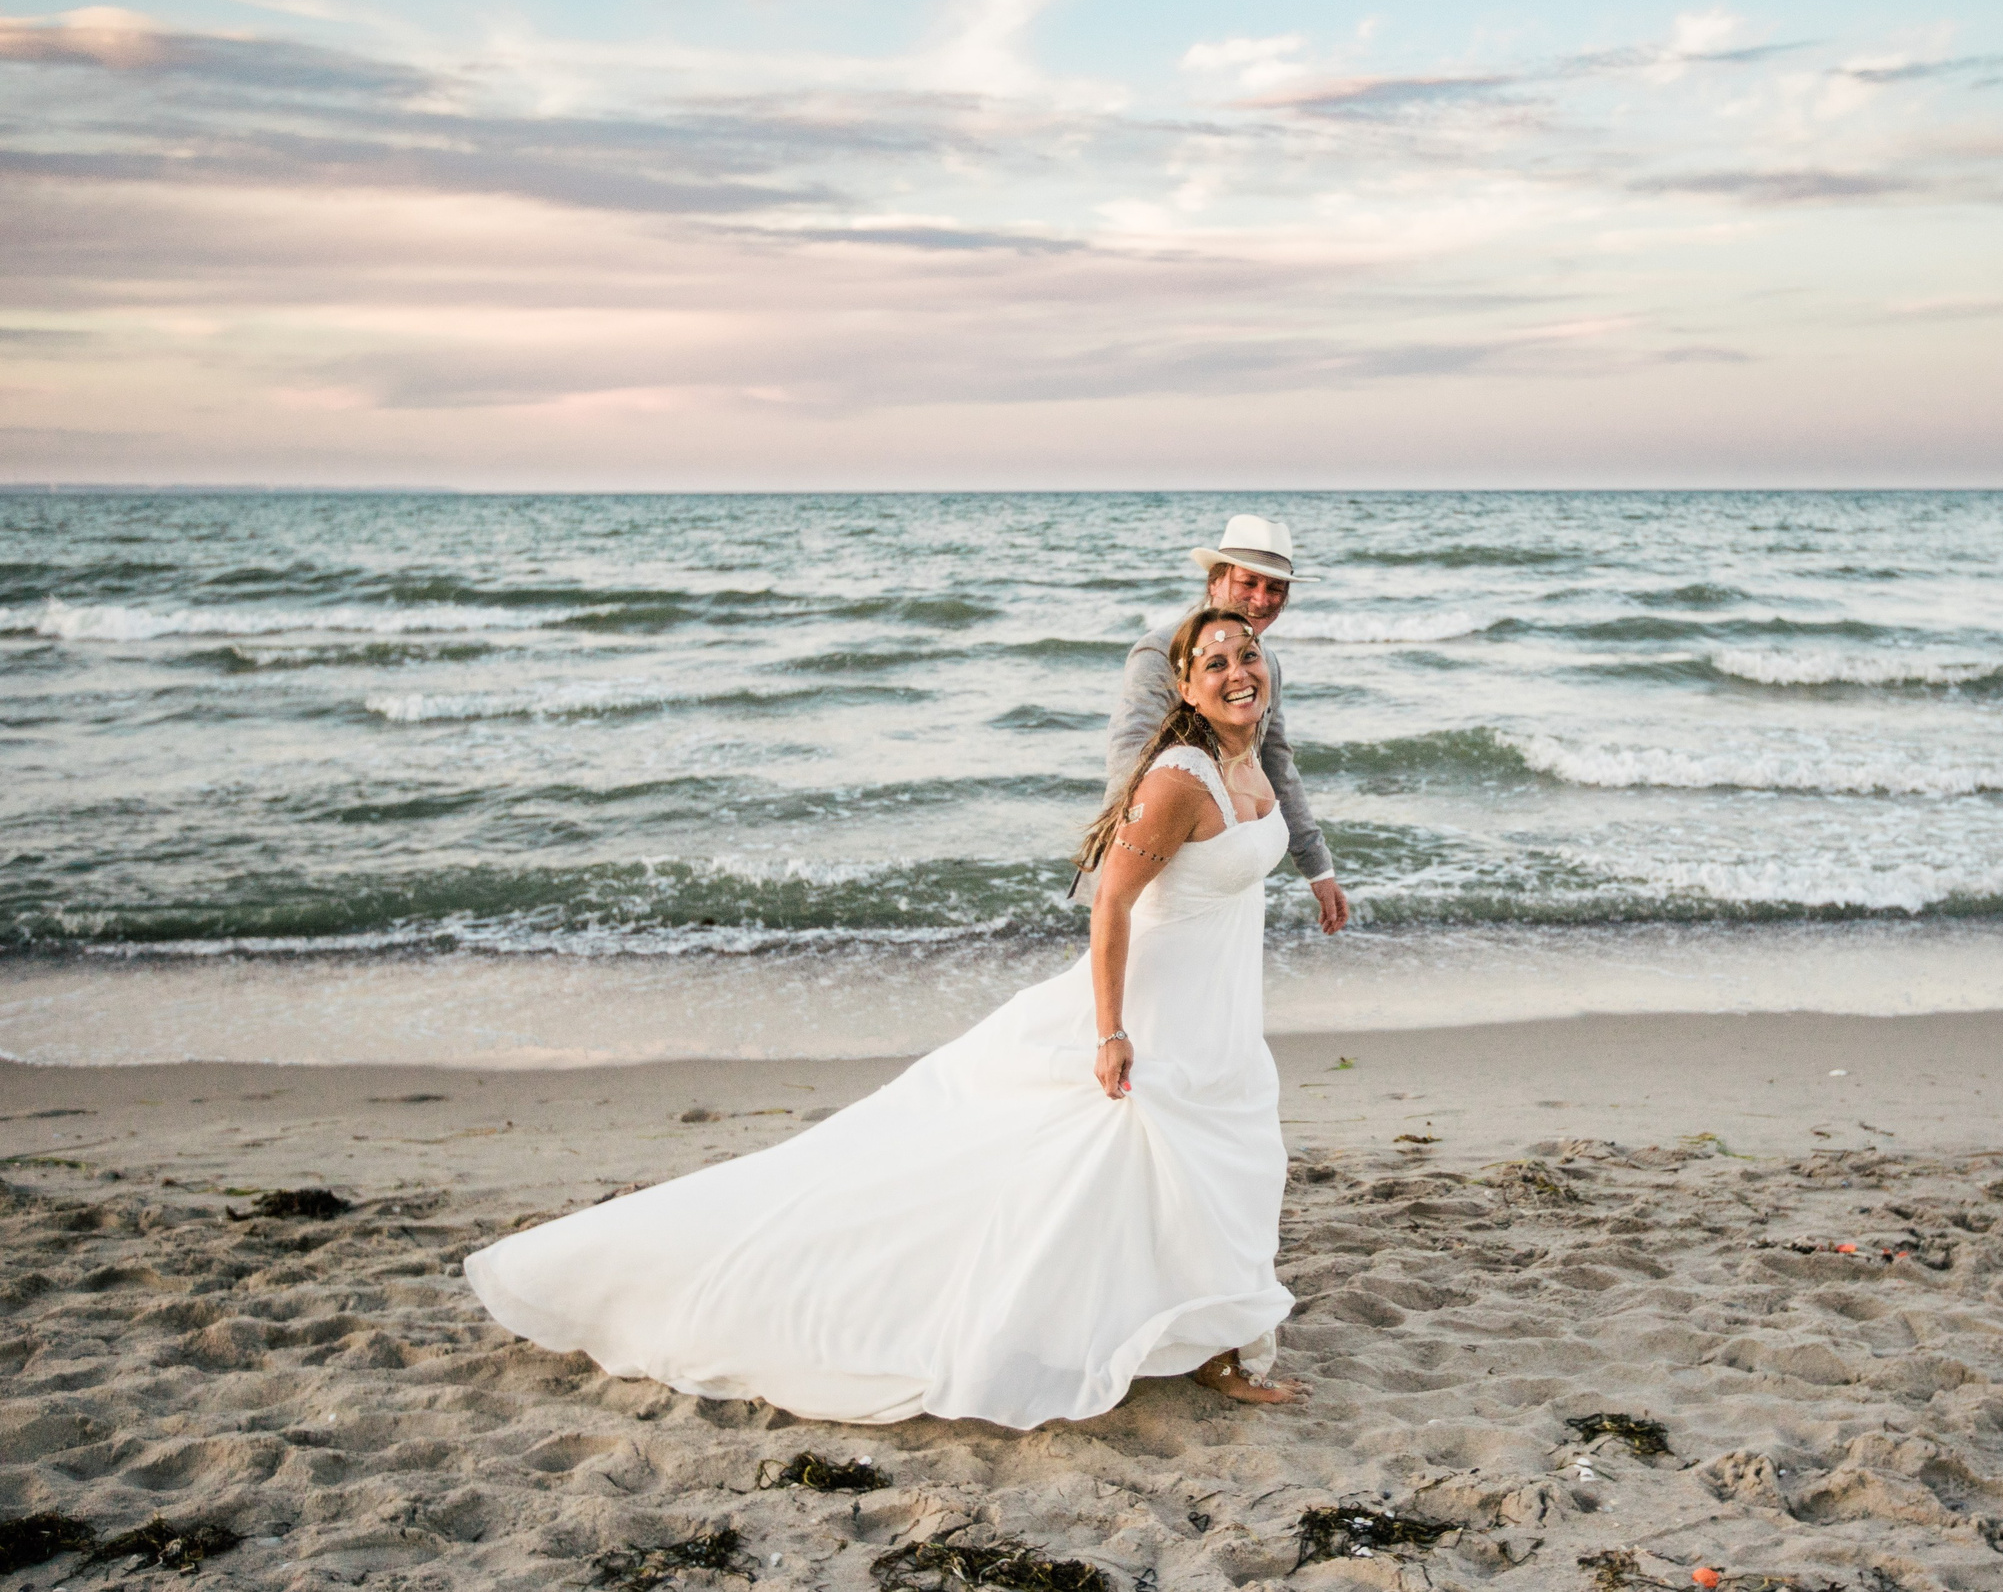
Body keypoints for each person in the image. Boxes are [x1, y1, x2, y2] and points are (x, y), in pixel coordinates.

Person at [464, 605, 1305, 1426]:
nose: (1238, 672)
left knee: (1219, 1163)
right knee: (1062, 1164)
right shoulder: (1177, 781)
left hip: (1215, 1013)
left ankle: (1212, 1340)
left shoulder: (1251, 762)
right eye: (1215, 663)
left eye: (1246, 656)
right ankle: (1183, 1342)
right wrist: (1111, 1030)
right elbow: (1110, 906)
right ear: (1186, 691)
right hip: (1151, 1015)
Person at [1094, 514, 1349, 934]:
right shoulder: (1160, 652)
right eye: (1248, 582)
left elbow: (1275, 764)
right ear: (1216, 582)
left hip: (1228, 876)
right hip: (1158, 875)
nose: (1262, 598)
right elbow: (1129, 756)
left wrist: (1318, 869)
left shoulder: (1266, 664)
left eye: (1275, 588)